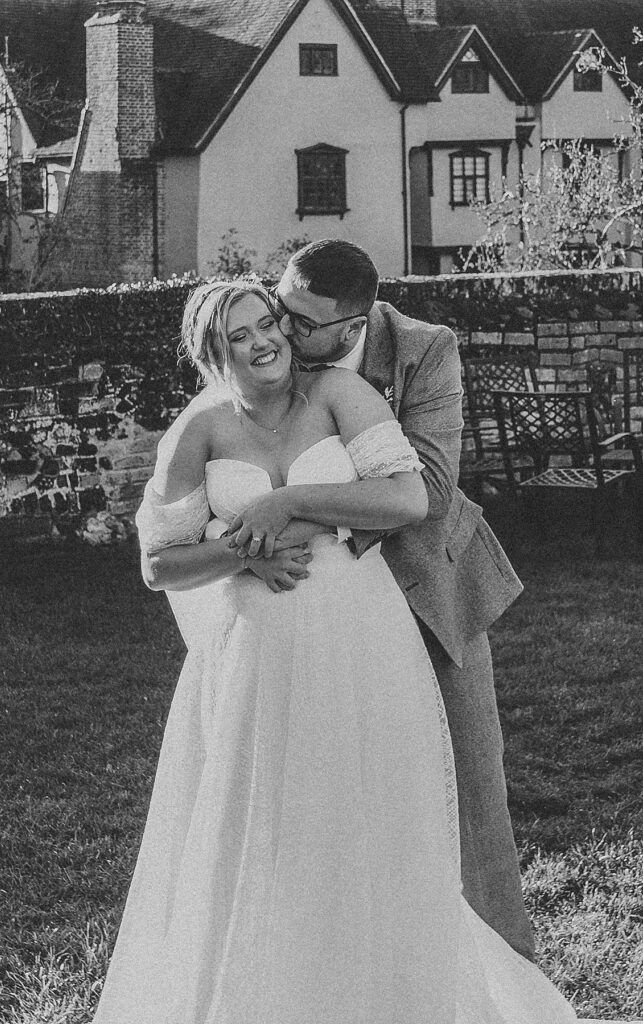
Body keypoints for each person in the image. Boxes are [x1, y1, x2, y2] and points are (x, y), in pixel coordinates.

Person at [89, 277, 583, 1024]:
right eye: (240, 336)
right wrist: (240, 553)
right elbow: (160, 564)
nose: (264, 343)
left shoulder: (337, 396)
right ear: (211, 353)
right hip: (258, 649)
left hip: (361, 633)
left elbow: (406, 499)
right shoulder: (198, 430)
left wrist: (284, 506)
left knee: (374, 808)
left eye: (268, 325)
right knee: (266, 822)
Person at [266, 239, 536, 963]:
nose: (281, 330)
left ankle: (503, 976)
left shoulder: (423, 350)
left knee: (470, 793)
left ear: (353, 327)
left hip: (429, 592)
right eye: (279, 304)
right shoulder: (271, 336)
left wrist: (293, 507)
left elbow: (432, 493)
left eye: (302, 322)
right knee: (342, 793)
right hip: (317, 608)